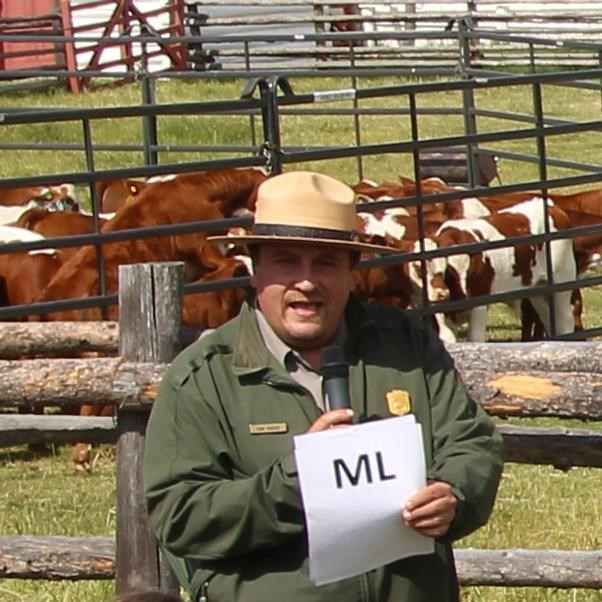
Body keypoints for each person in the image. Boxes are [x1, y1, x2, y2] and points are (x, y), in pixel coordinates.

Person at [143, 170, 504, 602]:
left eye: (326, 262)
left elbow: (472, 443)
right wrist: (292, 483)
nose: (307, 281)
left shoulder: (406, 346)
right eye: (286, 261)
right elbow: (180, 515)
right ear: (255, 271)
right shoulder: (204, 377)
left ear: (353, 271)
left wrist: (454, 493)